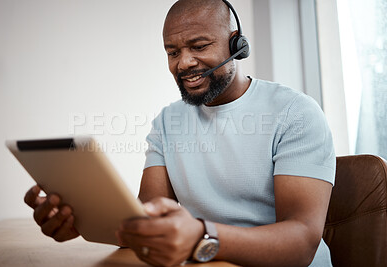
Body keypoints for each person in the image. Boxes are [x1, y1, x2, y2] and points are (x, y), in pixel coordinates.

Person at [24, 0, 336, 266]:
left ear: (236, 44)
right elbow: (148, 220)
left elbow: (303, 241)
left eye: (199, 46)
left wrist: (200, 235)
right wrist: (82, 219)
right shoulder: (167, 121)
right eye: (172, 52)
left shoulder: (295, 112)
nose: (184, 62)